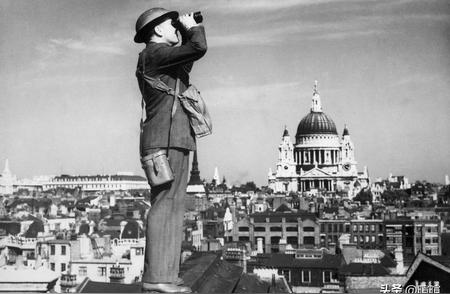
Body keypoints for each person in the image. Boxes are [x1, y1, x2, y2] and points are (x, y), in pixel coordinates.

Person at [134, 7, 207, 294]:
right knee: (165, 207)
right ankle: (156, 278)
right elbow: (198, 47)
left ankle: (167, 274)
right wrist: (191, 29)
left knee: (174, 209)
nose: (175, 27)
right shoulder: (153, 54)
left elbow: (187, 62)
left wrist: (185, 32)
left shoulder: (162, 60)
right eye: (170, 24)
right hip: (164, 141)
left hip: (176, 138)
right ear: (157, 30)